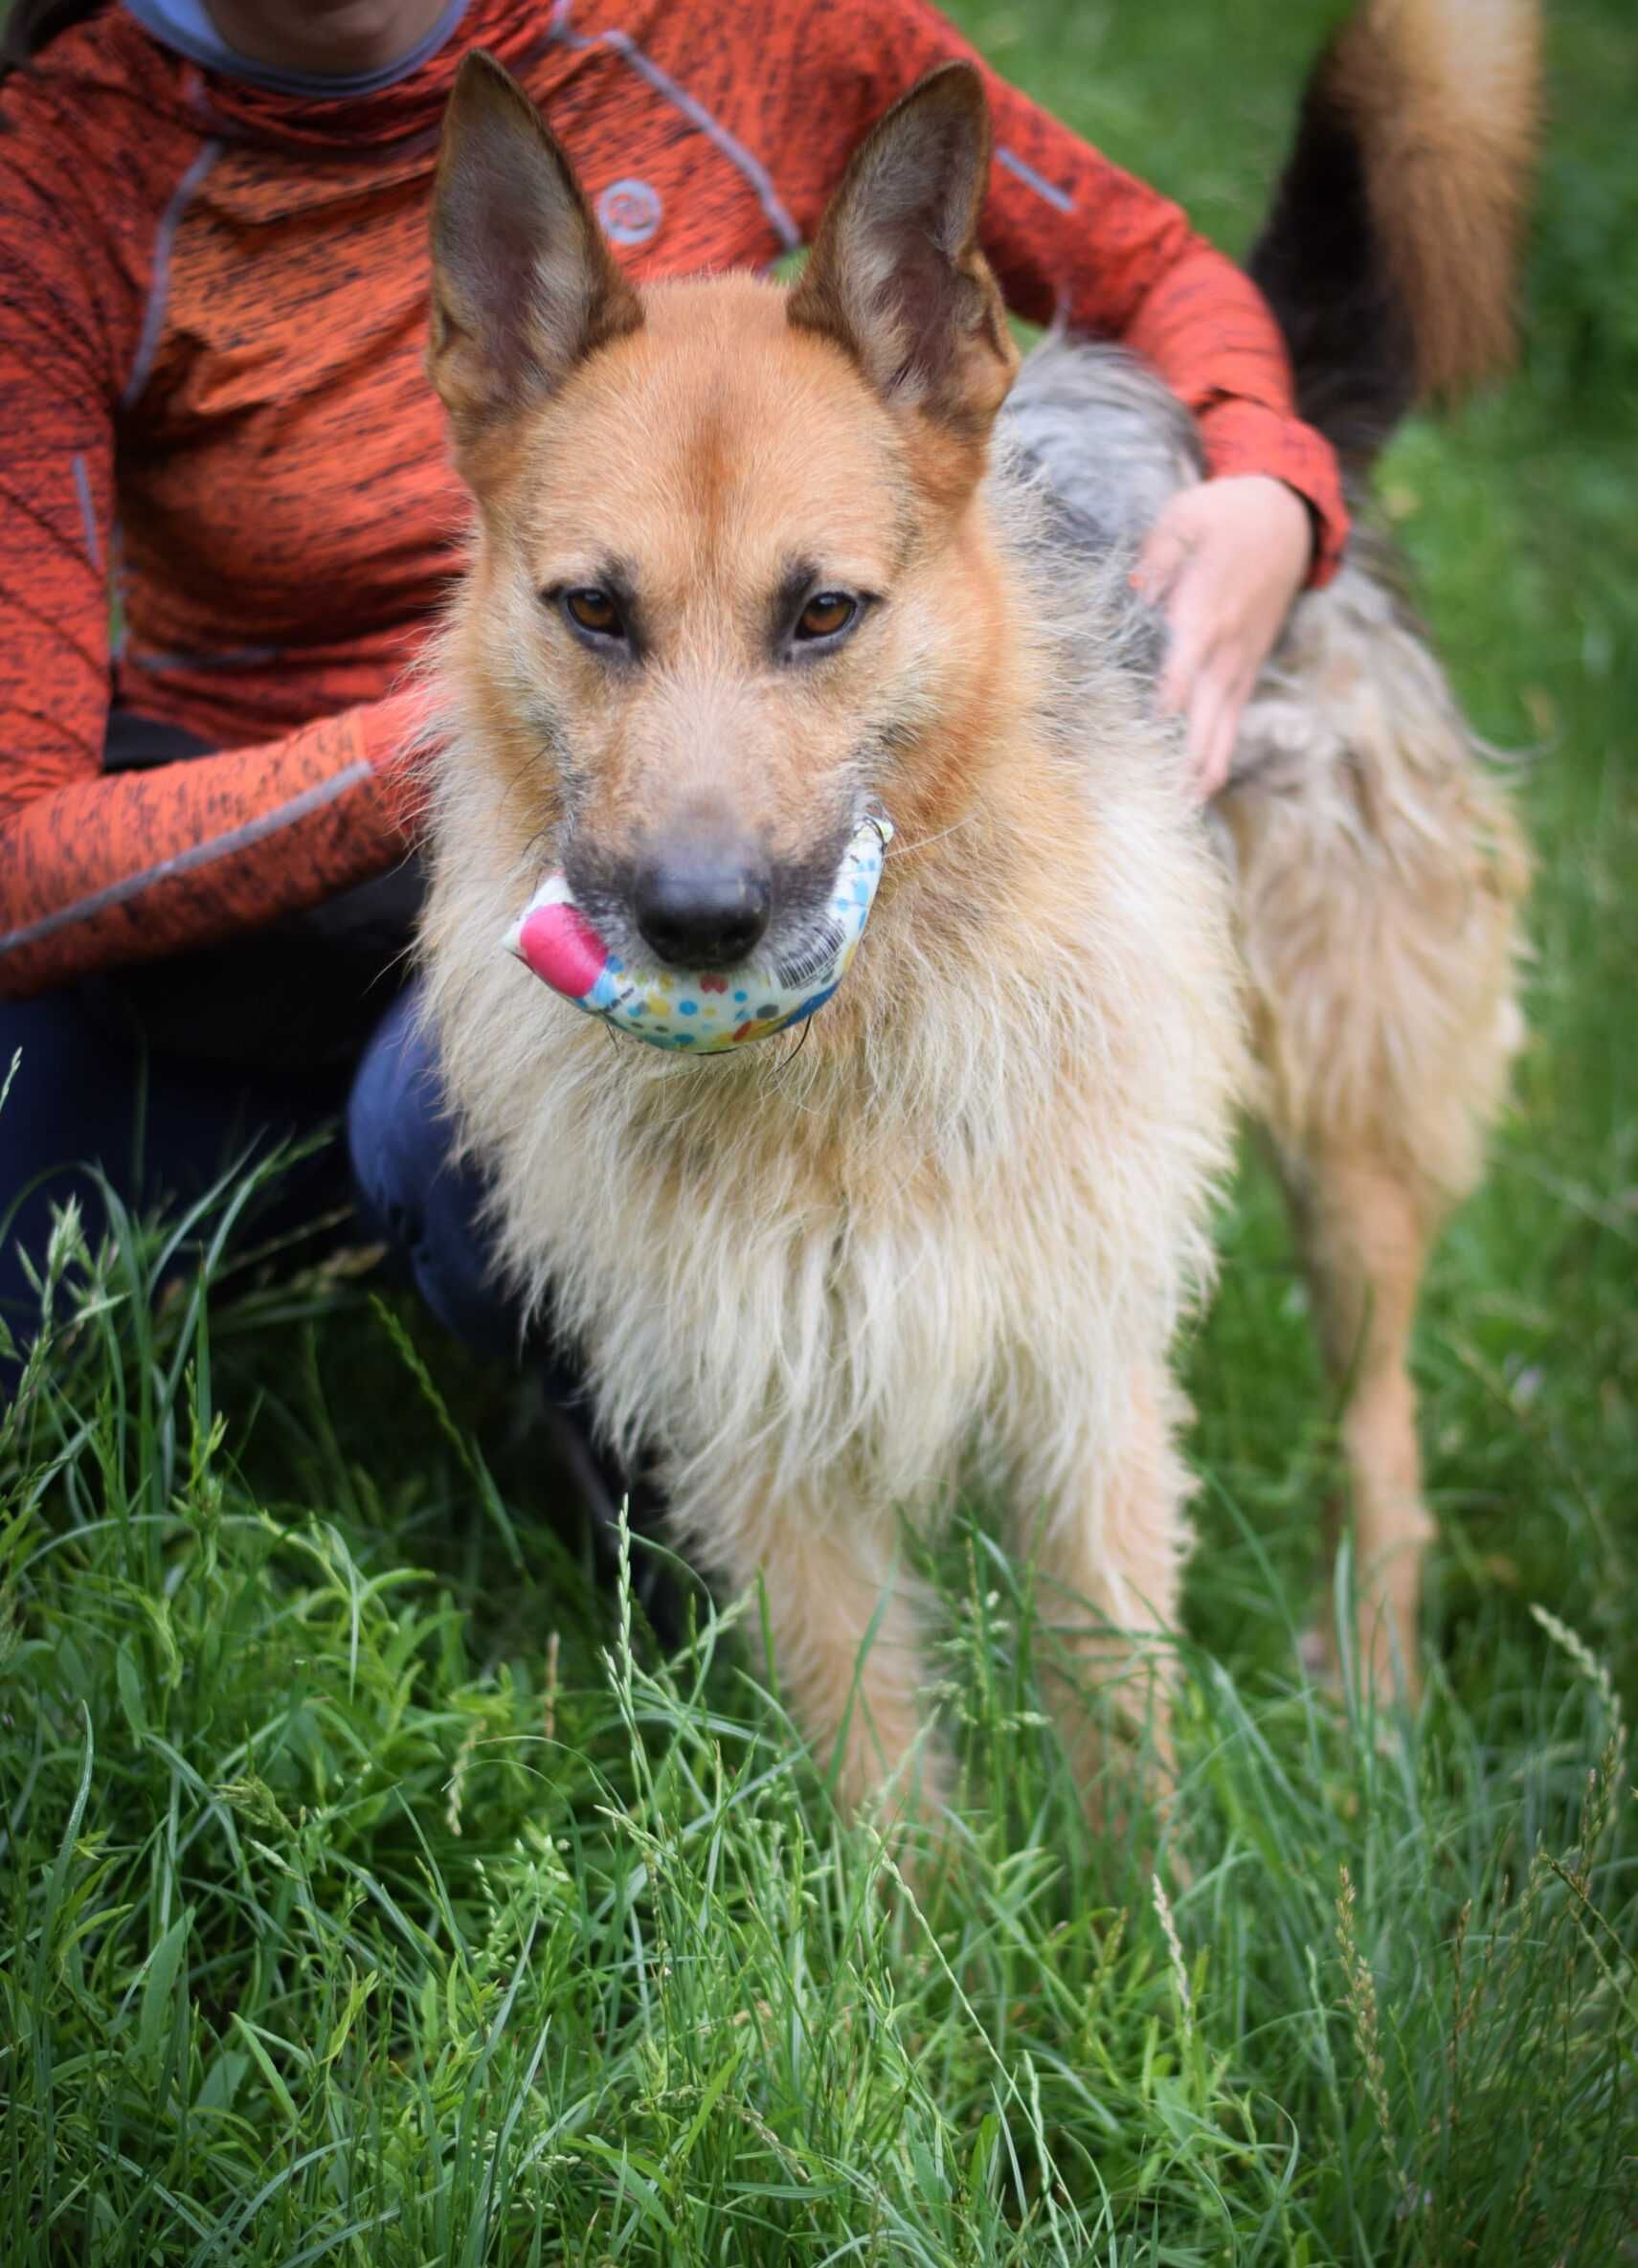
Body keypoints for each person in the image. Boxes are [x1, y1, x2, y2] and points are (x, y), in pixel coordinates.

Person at [0, 0, 1343, 1374]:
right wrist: (450, 739)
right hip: (229, 913)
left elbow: (1146, 261)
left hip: (585, 870)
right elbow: (15, 857)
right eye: (591, 606)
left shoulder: (726, 26)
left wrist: (1265, 468)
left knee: (441, 1120)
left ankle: (649, 1434)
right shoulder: (57, 177)